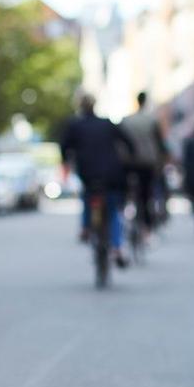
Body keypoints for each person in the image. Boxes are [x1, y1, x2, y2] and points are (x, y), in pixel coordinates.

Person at [59, 93, 136, 267]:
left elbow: (64, 147)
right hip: (112, 173)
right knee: (113, 209)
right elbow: (127, 142)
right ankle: (116, 247)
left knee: (88, 197)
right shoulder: (107, 124)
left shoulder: (75, 126)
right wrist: (130, 158)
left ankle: (86, 227)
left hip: (88, 174)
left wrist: (66, 160)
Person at [119, 91, 169, 236]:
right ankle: (147, 227)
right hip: (148, 163)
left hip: (129, 163)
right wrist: (162, 160)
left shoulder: (126, 120)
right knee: (146, 195)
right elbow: (159, 144)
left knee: (127, 192)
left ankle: (125, 219)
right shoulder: (151, 121)